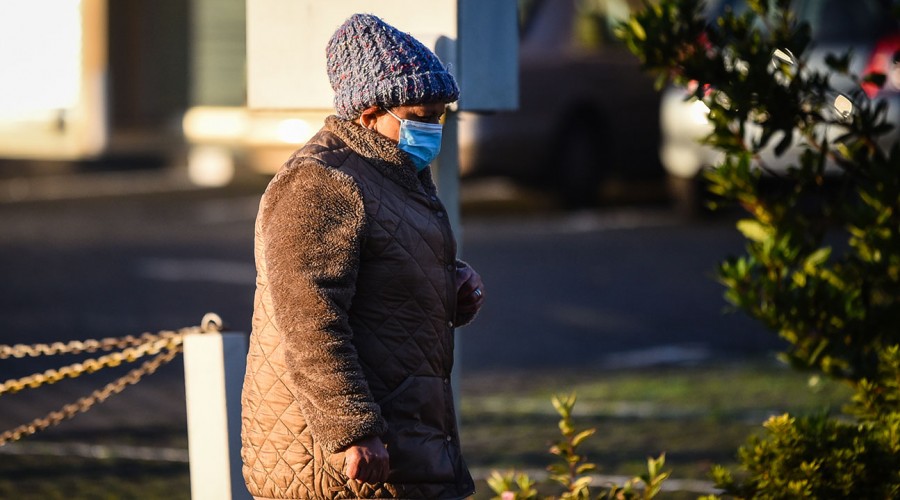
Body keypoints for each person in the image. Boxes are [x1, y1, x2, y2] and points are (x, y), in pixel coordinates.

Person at [240, 12, 485, 500]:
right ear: (369, 112)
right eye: (421, 117)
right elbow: (308, 317)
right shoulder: (321, 181)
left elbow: (385, 269)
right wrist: (353, 429)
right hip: (336, 463)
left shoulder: (391, 171)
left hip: (402, 435)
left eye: (441, 115)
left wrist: (448, 283)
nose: (434, 128)